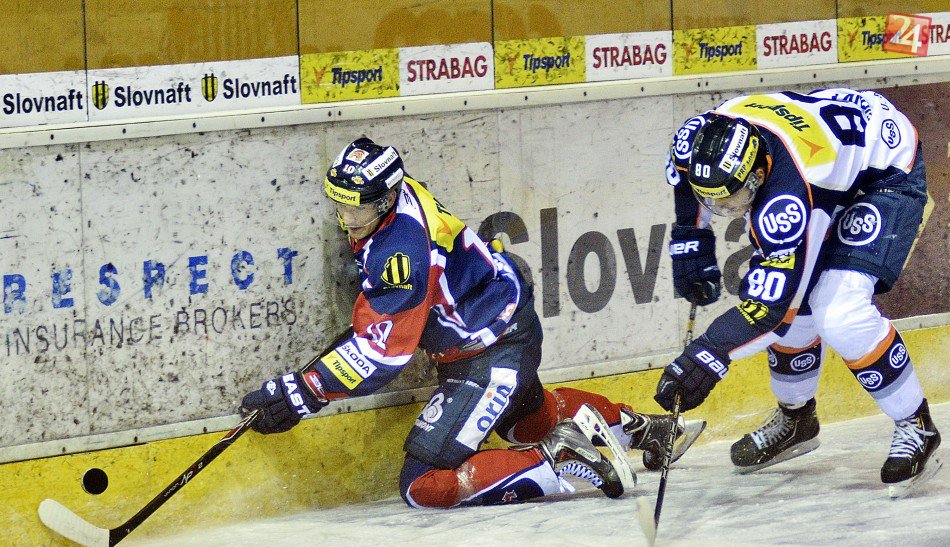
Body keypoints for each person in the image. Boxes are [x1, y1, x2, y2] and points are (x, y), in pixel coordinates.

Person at [241, 137, 705, 508]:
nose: (347, 219)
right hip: (504, 322)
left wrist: (302, 392)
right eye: (340, 205)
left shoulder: (400, 253)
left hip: (488, 353)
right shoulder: (400, 194)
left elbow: (386, 355)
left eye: (357, 208)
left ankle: (556, 456)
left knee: (422, 484)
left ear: (386, 200)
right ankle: (650, 430)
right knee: (530, 420)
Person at [657, 88, 941, 497]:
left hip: (885, 172)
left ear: (758, 176)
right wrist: (690, 236)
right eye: (714, 199)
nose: (725, 208)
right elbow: (687, 182)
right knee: (800, 303)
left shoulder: (786, 199)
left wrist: (707, 355)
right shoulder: (697, 139)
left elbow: (770, 312)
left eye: (733, 197)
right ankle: (797, 420)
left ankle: (917, 424)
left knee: (838, 312)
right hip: (831, 149)